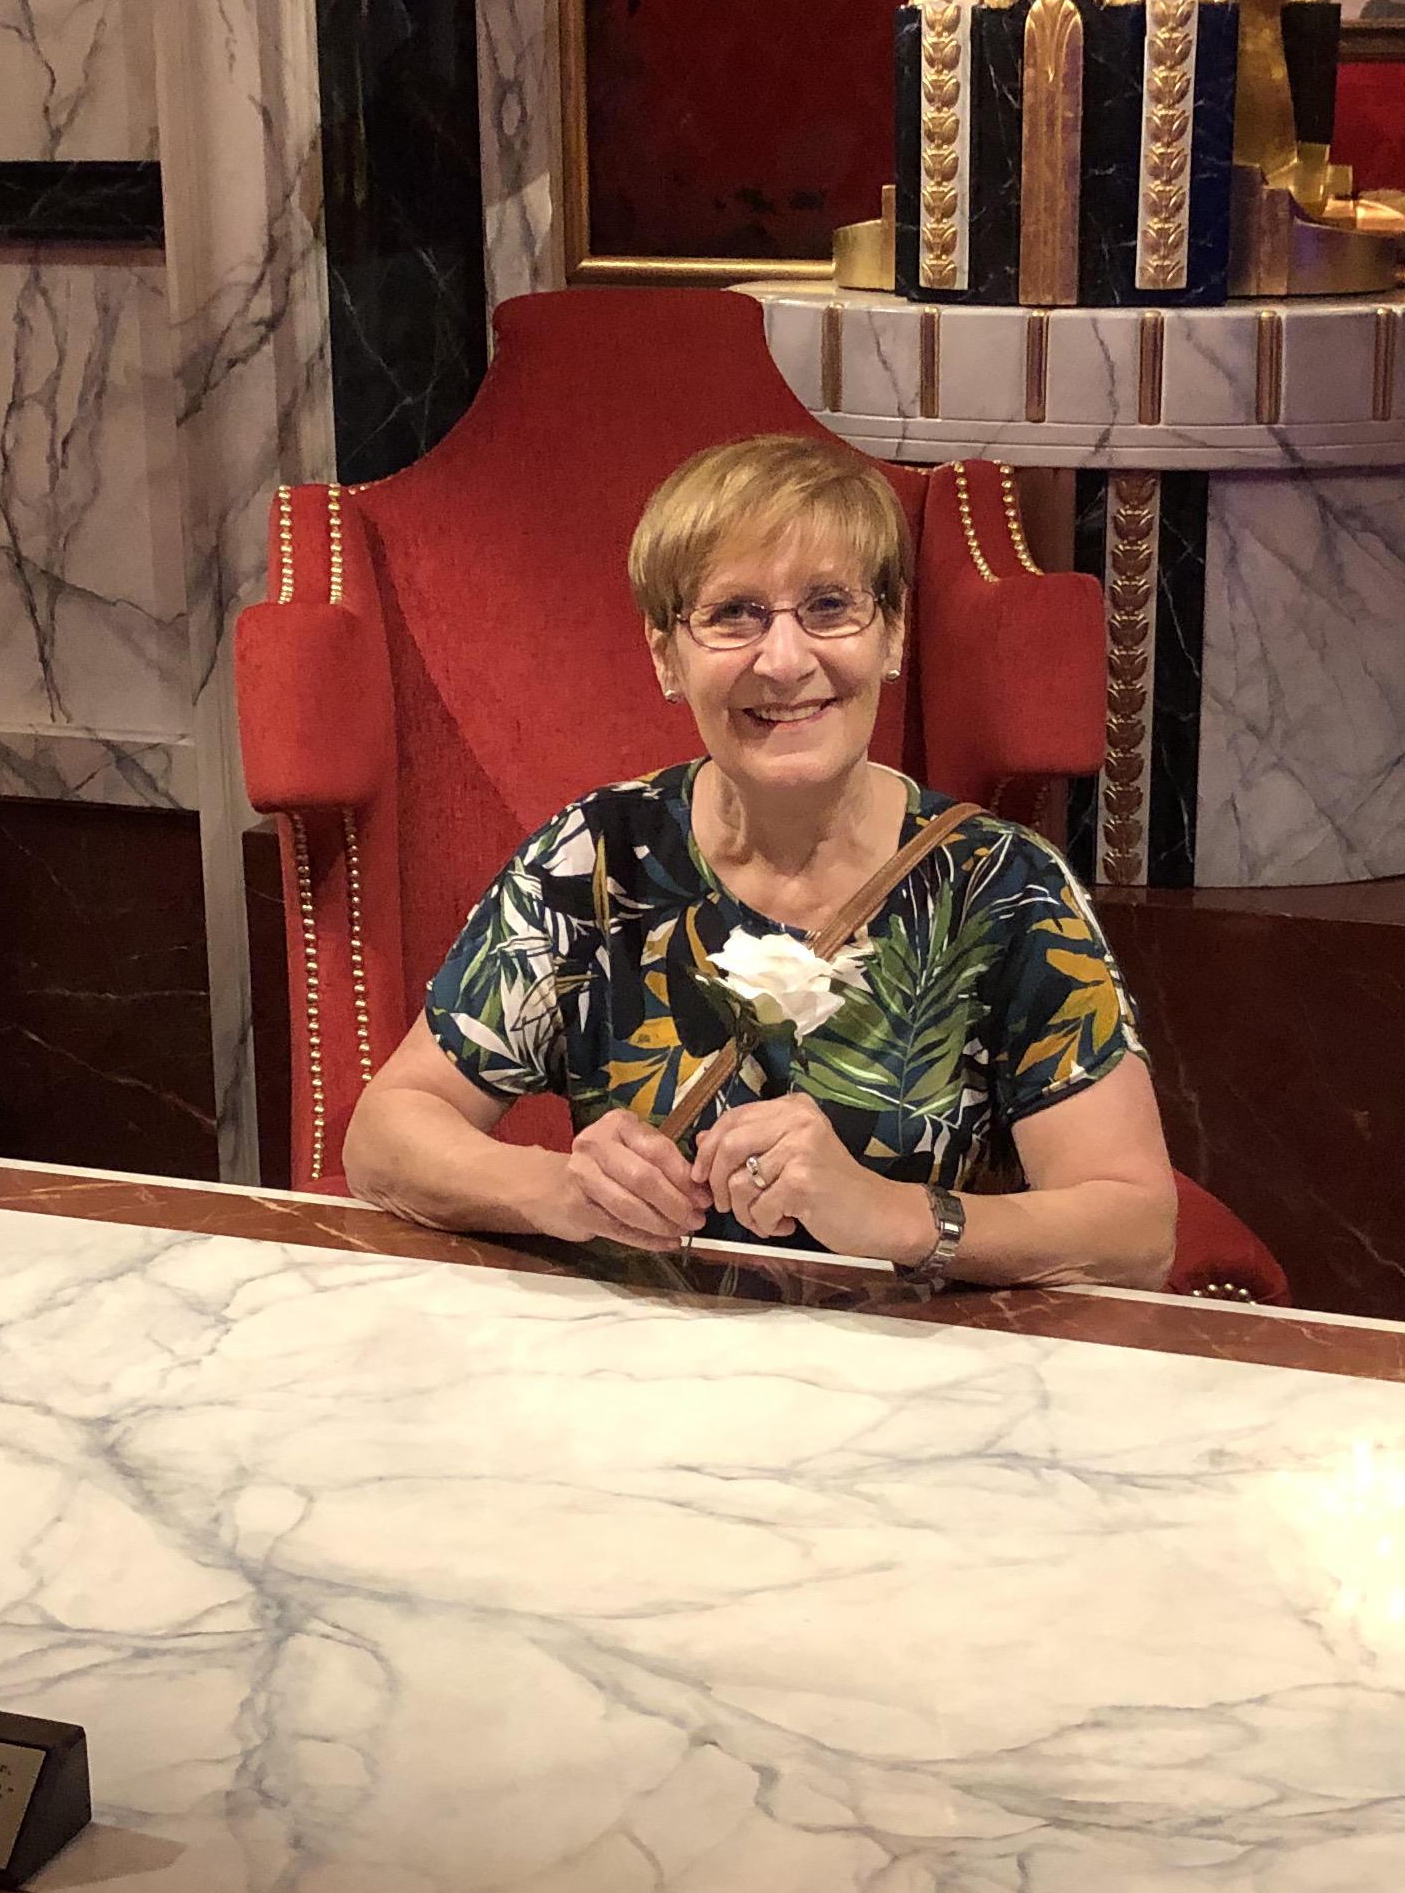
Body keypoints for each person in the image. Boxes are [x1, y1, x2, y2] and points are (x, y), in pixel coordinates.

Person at [343, 435, 1179, 1289]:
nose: (784, 661)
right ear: (666, 656)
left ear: (893, 633)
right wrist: (559, 1190)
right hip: (642, 1351)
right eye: (734, 614)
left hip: (913, 1360)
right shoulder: (599, 856)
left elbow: (1135, 1225)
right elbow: (384, 1135)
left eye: (830, 606)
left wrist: (892, 1215)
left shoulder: (1001, 887)